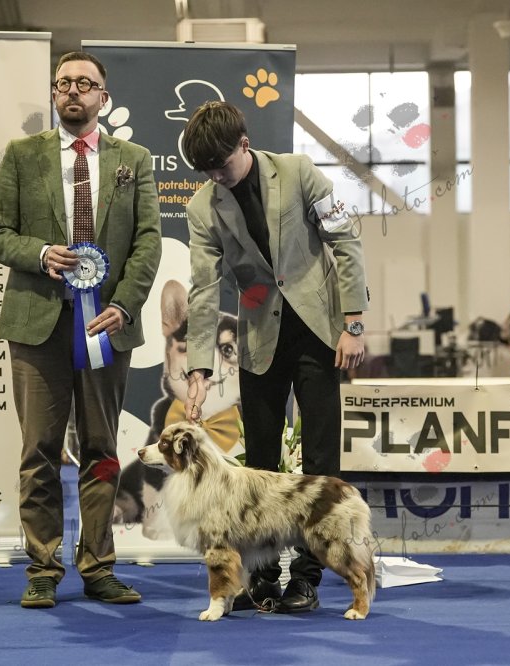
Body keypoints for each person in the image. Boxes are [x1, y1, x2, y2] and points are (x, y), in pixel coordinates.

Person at [0, 51, 162, 608]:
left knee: (102, 449)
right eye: (63, 84)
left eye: (85, 84)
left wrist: (125, 305)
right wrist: (39, 253)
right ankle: (42, 568)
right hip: (37, 326)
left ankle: (99, 567)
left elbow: (147, 241)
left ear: (103, 97)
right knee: (38, 450)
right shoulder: (22, 156)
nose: (72, 92)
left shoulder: (134, 160)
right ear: (55, 94)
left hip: (106, 327)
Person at [181, 101, 369, 614]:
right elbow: (203, 289)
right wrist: (198, 368)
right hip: (259, 338)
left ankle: (307, 579)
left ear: (244, 144)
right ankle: (261, 577)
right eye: (205, 171)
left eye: (221, 165)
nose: (216, 177)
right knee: (259, 465)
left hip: (318, 333)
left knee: (321, 462)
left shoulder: (298, 172)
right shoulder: (202, 208)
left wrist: (352, 324)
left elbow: (345, 241)